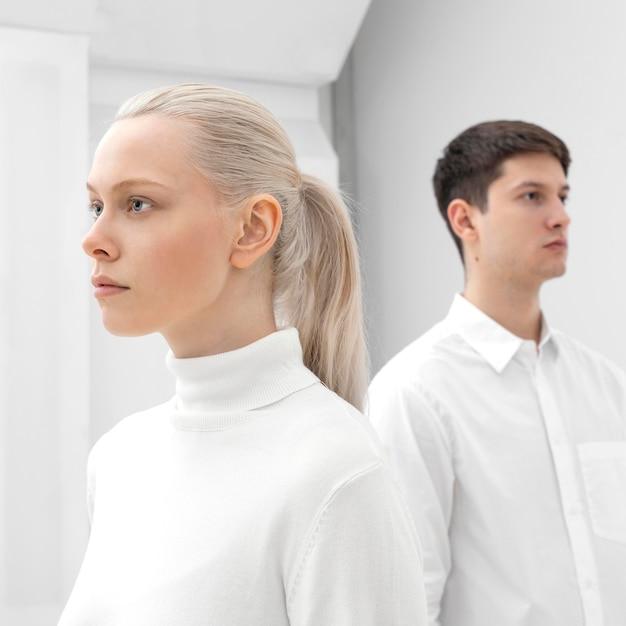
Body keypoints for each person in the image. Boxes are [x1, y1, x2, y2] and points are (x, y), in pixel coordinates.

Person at [58, 84, 427, 625]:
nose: (94, 238)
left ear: (253, 229)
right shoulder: (118, 459)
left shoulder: (337, 474)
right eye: (96, 205)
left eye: (137, 204)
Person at [368, 120, 626, 625]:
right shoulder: (414, 393)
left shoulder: (606, 385)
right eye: (532, 196)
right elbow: (406, 601)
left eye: (562, 197)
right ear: (465, 220)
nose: (560, 217)